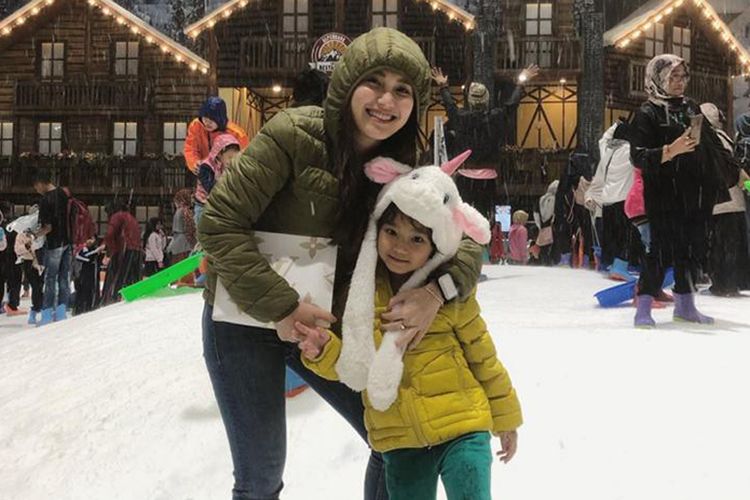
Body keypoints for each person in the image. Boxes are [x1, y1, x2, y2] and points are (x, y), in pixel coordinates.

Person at [198, 27, 483, 500]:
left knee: (391, 438)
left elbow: (464, 239)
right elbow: (219, 222)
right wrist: (282, 307)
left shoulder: (404, 171)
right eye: (375, 82)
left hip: (321, 328)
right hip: (242, 323)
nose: (386, 101)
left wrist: (437, 292)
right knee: (260, 476)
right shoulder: (293, 134)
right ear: (348, 83)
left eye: (402, 90)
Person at [294, 156, 521, 500]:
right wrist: (323, 350)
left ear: (435, 245)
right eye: (391, 232)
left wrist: (506, 417)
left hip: (462, 426)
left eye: (417, 239)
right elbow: (353, 366)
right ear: (377, 230)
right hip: (399, 441)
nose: (400, 247)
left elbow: (483, 357)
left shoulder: (449, 295)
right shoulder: (360, 296)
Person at [629, 54, 733, 327]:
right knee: (659, 250)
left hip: (692, 191)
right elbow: (638, 156)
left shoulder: (690, 106)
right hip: (663, 193)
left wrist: (732, 170)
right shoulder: (647, 113)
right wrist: (669, 151)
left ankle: (686, 305)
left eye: (682, 77)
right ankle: (643, 307)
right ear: (657, 79)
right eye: (672, 77)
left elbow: (711, 143)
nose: (679, 82)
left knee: (690, 249)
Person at [431, 65, 539, 163]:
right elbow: (511, 105)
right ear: (486, 100)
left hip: (466, 171)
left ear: (469, 101)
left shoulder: (461, 118)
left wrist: (443, 87)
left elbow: (450, 105)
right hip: (490, 172)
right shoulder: (495, 117)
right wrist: (520, 84)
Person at [701, 102, 750, 296]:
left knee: (720, 244)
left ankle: (723, 284)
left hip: (719, 200)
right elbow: (733, 168)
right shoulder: (721, 138)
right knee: (731, 243)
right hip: (731, 199)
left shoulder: (709, 139)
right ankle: (730, 283)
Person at [585, 121, 642, 278]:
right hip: (624, 200)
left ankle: (608, 264)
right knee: (625, 235)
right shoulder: (631, 151)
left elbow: (603, 139)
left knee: (611, 235)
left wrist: (615, 125)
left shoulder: (607, 150)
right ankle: (620, 267)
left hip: (607, 201)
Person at [32, 168, 71, 326]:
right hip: (67, 241)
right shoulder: (63, 194)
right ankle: (61, 312)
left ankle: (47, 314)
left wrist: (34, 235)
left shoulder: (45, 200)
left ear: (40, 183)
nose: (37, 190)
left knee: (50, 278)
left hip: (54, 243)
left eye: (36, 187)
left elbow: (47, 227)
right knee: (64, 278)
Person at [184, 96, 249, 176]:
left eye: (212, 120)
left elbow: (245, 159)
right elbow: (190, 148)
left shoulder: (237, 134)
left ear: (220, 119)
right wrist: (194, 163)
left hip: (229, 175)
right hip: (205, 173)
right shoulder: (196, 126)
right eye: (205, 118)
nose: (207, 123)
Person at [100, 203, 142, 305]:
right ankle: (133, 300)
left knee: (117, 277)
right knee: (132, 279)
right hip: (136, 250)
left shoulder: (117, 216)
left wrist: (108, 252)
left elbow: (110, 234)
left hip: (123, 249)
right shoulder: (132, 218)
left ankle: (113, 300)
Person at [194, 134, 241, 224]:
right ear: (219, 154)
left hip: (219, 205)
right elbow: (210, 188)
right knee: (203, 229)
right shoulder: (206, 166)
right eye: (230, 157)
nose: (232, 161)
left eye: (235, 158)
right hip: (204, 205)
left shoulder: (227, 166)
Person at [73, 237, 102, 315]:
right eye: (88, 239)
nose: (90, 241)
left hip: (93, 273)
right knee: (84, 289)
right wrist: (95, 252)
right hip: (85, 274)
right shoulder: (84, 248)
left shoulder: (95, 248)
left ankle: (92, 305)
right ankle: (82, 308)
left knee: (92, 288)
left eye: (92, 239)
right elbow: (80, 257)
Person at [166, 189, 195, 267]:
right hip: (185, 244)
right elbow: (190, 229)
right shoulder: (187, 211)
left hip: (178, 243)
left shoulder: (179, 211)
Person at [534, 180, 558, 265]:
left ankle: (544, 264)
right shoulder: (556, 199)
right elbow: (555, 214)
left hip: (543, 229)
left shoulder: (541, 199)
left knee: (544, 250)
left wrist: (541, 226)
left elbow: (536, 214)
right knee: (553, 250)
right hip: (553, 230)